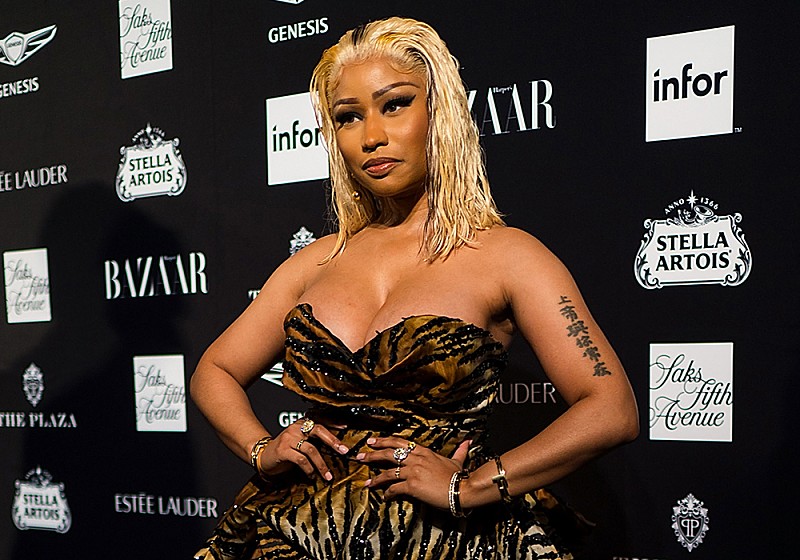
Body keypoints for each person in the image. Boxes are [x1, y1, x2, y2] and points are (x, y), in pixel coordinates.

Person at [192, 16, 638, 560]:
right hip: (298, 535)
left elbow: (611, 409)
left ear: (439, 111)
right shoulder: (314, 261)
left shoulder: (507, 256)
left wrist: (473, 486)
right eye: (348, 117)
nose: (371, 136)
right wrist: (261, 448)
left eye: (395, 105)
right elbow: (214, 371)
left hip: (445, 540)